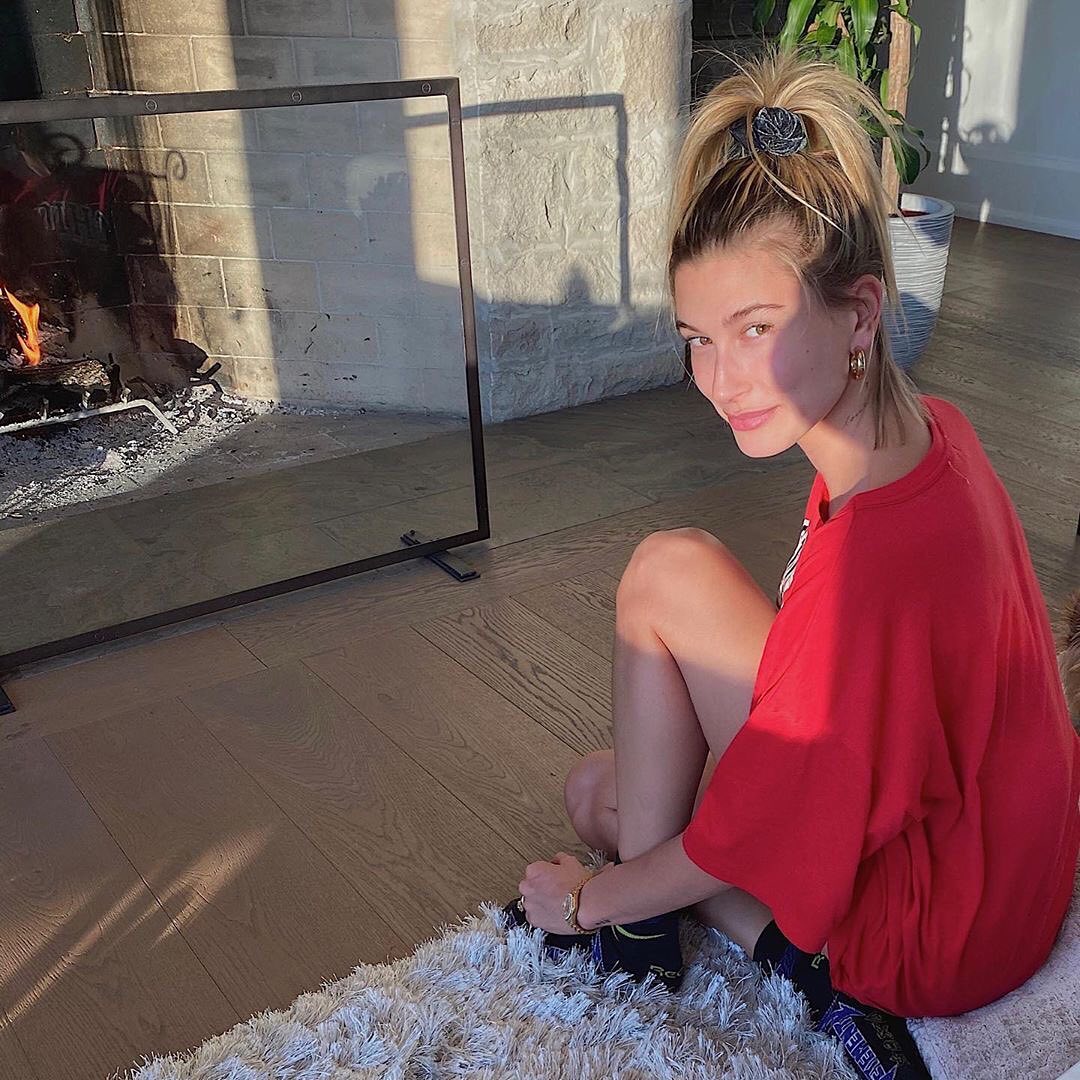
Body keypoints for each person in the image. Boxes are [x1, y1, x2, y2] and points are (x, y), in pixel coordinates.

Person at [501, 42, 1080, 1080]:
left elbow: (765, 821)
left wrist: (588, 899)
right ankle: (661, 914)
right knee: (616, 775)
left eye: (756, 328)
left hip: (934, 935)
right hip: (1016, 874)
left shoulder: (877, 562)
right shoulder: (933, 434)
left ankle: (787, 969)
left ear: (859, 312)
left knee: (614, 792)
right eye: (698, 338)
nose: (722, 380)